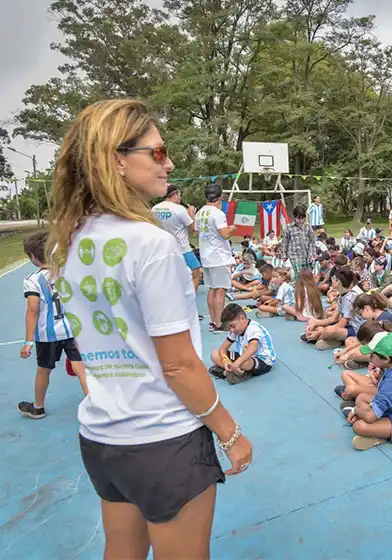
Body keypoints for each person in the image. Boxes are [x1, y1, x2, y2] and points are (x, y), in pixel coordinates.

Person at [49, 99, 250, 558]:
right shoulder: (151, 244)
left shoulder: (72, 240)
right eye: (157, 153)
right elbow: (178, 365)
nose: (170, 163)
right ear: (117, 159)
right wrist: (230, 433)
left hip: (103, 435)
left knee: (121, 550)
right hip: (164, 439)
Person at [18, 231, 89, 418]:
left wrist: (28, 342)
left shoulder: (32, 280)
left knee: (44, 369)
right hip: (71, 329)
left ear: (33, 257)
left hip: (47, 334)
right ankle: (97, 405)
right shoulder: (64, 272)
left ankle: (38, 407)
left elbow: (33, 309)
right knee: (80, 368)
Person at [196, 184, 236, 333]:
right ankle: (219, 323)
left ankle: (214, 321)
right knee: (220, 290)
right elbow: (224, 234)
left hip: (206, 255)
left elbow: (196, 231)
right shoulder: (217, 213)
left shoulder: (200, 212)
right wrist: (232, 229)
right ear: (220, 197)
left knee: (212, 289)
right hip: (219, 256)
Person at [209, 304, 276, 385]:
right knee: (215, 354)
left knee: (244, 362)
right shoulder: (235, 330)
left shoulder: (254, 328)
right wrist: (225, 360)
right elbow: (223, 348)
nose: (231, 330)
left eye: (233, 326)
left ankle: (231, 372)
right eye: (229, 327)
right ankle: (235, 371)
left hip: (263, 361)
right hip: (244, 357)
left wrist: (236, 363)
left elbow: (253, 348)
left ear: (242, 318)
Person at [152, 184, 200, 290]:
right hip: (182, 249)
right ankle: (189, 302)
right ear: (175, 195)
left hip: (163, 249)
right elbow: (194, 229)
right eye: (180, 195)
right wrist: (192, 214)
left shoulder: (155, 208)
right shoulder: (179, 209)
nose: (180, 198)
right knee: (195, 275)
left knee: (168, 277)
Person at [280, 204, 316, 277]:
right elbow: (285, 242)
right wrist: (284, 255)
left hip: (306, 254)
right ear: (295, 217)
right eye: (299, 218)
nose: (301, 221)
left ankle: (305, 287)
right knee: (298, 274)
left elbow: (312, 241)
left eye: (303, 218)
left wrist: (312, 254)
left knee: (307, 274)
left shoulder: (307, 226)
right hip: (294, 255)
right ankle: (298, 287)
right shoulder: (289, 227)